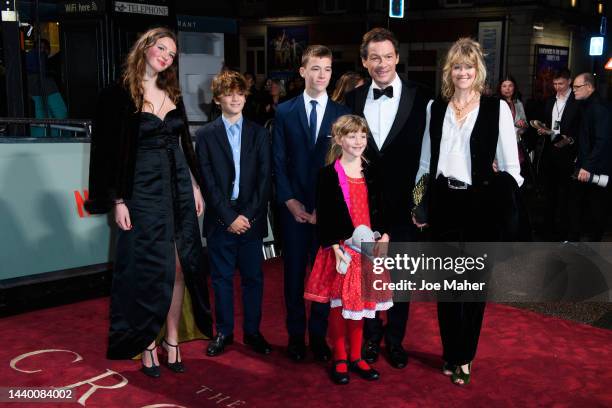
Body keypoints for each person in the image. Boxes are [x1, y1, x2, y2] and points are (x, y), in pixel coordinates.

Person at [85, 27, 212, 378]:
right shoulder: (117, 95)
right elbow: (107, 155)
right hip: (141, 192)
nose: (166, 57)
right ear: (145, 47)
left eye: (171, 54)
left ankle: (172, 339)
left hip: (179, 192)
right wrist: (118, 200)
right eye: (161, 48)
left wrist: (195, 185)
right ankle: (145, 342)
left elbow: (183, 144)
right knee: (146, 270)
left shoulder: (171, 91)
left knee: (179, 265)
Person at [414, 37, 523, 386]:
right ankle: (451, 352)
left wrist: (500, 204)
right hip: (444, 203)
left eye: (469, 67)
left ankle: (465, 358)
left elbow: (512, 167)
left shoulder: (496, 109)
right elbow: (425, 163)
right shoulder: (436, 107)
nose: (463, 72)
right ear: (450, 70)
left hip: (480, 206)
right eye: (457, 66)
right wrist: (419, 202)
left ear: (478, 71)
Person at [344, 27, 431, 369]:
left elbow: (429, 155)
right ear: (365, 62)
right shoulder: (351, 101)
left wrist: (421, 203)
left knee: (401, 279)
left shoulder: (422, 96)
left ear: (398, 57)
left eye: (388, 56)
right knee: (368, 276)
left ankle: (395, 340)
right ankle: (370, 337)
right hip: (364, 206)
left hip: (406, 207)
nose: (382, 63)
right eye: (374, 57)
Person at [273, 45, 350, 362]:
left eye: (328, 69)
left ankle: (318, 337)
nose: (322, 75)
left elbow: (343, 167)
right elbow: (277, 160)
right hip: (292, 211)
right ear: (302, 71)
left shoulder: (340, 115)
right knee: (292, 277)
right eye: (316, 68)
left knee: (322, 278)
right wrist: (289, 201)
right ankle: (295, 336)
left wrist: (326, 209)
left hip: (325, 214)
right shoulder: (283, 112)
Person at [305, 114, 392, 384]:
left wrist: (386, 235)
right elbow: (326, 215)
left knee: (362, 305)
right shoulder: (328, 174)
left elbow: (384, 206)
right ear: (340, 140)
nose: (358, 141)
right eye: (352, 136)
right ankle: (340, 356)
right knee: (339, 306)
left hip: (369, 249)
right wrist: (334, 246)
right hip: (340, 250)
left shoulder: (374, 170)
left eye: (362, 135)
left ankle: (357, 356)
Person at [196, 70, 273, 357]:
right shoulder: (205, 135)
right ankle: (224, 332)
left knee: (254, 279)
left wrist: (249, 216)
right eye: (229, 93)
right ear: (218, 99)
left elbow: (266, 179)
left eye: (240, 93)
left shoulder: (259, 132)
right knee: (221, 279)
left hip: (251, 217)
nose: (235, 98)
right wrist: (228, 217)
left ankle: (252, 333)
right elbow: (207, 180)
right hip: (221, 218)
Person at [537, 69, 581, 241]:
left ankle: (565, 231)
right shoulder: (550, 100)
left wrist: (570, 139)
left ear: (569, 82)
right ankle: (549, 229)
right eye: (554, 84)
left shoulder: (577, 101)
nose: (557, 87)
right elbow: (548, 122)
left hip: (568, 153)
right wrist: (542, 129)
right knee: (549, 193)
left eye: (561, 84)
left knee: (566, 195)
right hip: (550, 151)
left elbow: (581, 128)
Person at [568, 72, 611, 242]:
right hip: (587, 165)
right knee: (580, 203)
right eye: (573, 87)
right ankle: (577, 240)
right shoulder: (586, 105)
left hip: (597, 169)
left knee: (596, 208)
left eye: (577, 87)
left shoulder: (599, 107)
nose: (574, 91)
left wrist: (587, 167)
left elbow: (602, 141)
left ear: (589, 87)